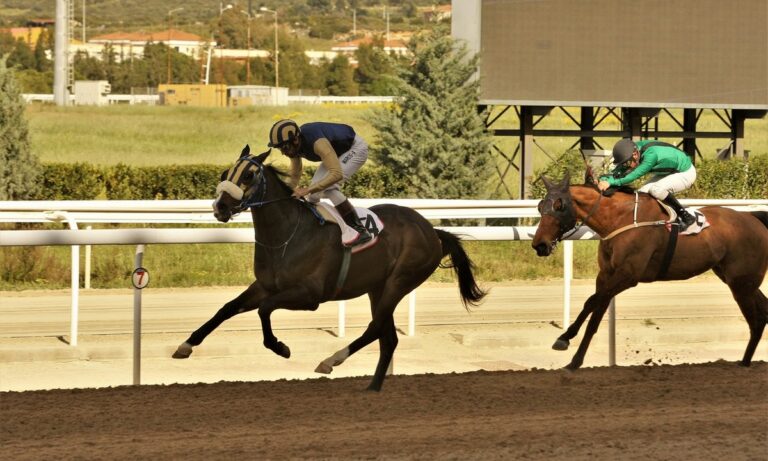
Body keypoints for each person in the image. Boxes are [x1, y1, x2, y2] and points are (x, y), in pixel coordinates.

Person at [267, 119, 372, 246]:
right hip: (337, 152)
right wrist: (284, 195)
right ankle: (314, 226)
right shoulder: (294, 145)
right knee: (314, 196)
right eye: (280, 149)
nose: (283, 153)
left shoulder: (318, 143)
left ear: (295, 140)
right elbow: (295, 175)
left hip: (354, 149)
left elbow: (336, 174)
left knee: (329, 187)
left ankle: (360, 230)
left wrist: (307, 190)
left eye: (284, 147)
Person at [598, 138, 697, 230]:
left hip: (685, 173)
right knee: (641, 195)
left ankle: (686, 217)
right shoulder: (633, 150)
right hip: (670, 171)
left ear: (635, 154)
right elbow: (618, 172)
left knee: (657, 190)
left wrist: (610, 182)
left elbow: (632, 176)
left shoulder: (651, 156)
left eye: (627, 163)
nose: (626, 167)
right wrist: (604, 179)